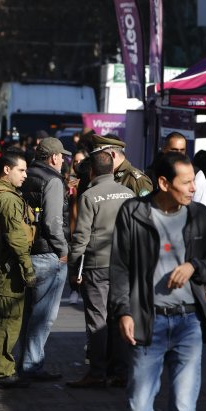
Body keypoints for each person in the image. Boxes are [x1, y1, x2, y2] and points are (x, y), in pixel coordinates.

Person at [109, 152, 206, 411]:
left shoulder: (200, 216)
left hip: (188, 324)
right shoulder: (133, 213)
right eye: (186, 182)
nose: (193, 188)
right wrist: (123, 310)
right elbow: (119, 266)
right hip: (148, 322)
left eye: (193, 181)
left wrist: (194, 268)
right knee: (138, 408)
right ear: (163, 183)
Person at [66, 150, 134, 388]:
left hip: (97, 266)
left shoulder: (89, 196)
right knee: (119, 318)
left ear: (92, 171)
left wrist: (73, 267)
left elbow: (81, 236)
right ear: (112, 169)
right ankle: (121, 372)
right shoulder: (129, 193)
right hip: (124, 265)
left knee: (98, 320)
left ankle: (96, 372)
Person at [0, 152, 36, 388]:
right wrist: (27, 267)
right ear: (6, 170)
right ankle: (2, 372)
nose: (25, 175)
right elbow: (16, 237)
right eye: (21, 170)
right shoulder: (8, 199)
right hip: (7, 269)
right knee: (7, 321)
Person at [18, 137, 71, 381]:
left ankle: (24, 362)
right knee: (44, 316)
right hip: (48, 253)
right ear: (53, 158)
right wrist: (63, 250)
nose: (63, 160)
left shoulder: (25, 175)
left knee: (29, 312)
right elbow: (52, 222)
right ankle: (32, 365)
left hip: (27, 251)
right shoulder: (53, 180)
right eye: (61, 156)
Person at [87, 134, 153, 197]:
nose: (97, 160)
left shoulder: (136, 180)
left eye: (101, 157)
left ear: (113, 155)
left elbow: (145, 207)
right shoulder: (100, 175)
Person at [161, 132, 206, 207]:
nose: (179, 154)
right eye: (174, 150)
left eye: (182, 150)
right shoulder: (153, 172)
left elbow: (202, 209)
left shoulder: (196, 174)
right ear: (164, 150)